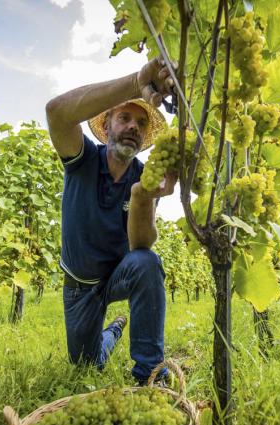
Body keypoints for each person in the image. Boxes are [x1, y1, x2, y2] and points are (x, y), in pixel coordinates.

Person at [45, 57, 177, 385]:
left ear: (145, 137)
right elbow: (56, 111)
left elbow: (140, 247)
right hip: (80, 287)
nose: (133, 126)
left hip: (117, 278)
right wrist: (137, 81)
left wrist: (142, 196)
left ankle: (149, 375)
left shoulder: (145, 177)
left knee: (148, 262)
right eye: (124, 118)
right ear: (106, 128)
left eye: (141, 123)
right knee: (87, 365)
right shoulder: (82, 158)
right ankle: (113, 331)